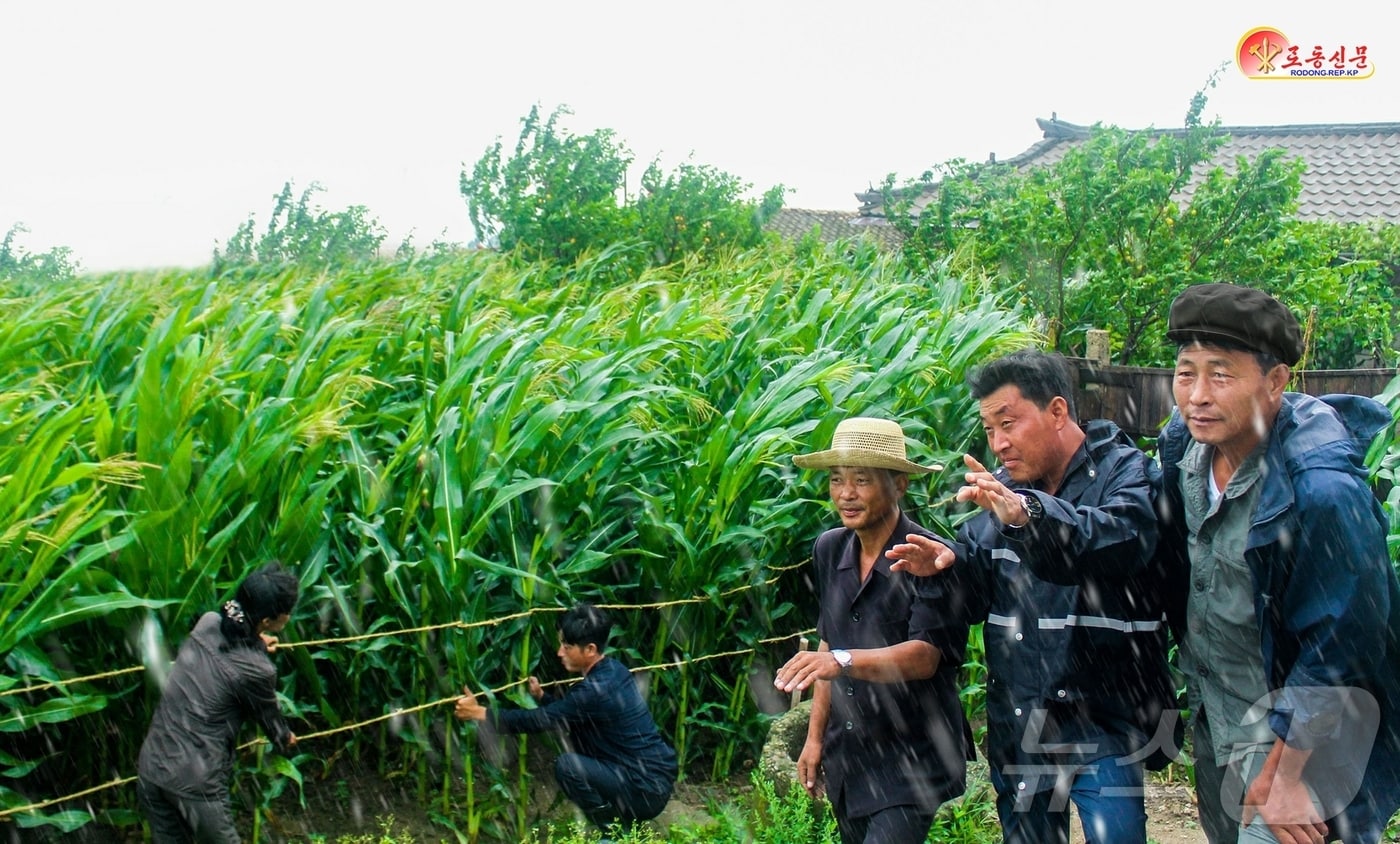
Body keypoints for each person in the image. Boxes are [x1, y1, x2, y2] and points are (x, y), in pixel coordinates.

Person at [888, 350, 1176, 844]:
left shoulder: (1125, 471)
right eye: (989, 429)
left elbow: (1120, 539)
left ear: (1058, 412)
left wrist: (1029, 516)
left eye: (1009, 424)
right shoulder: (1002, 490)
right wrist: (942, 572)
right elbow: (975, 598)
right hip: (1021, 720)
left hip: (1105, 720)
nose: (998, 444)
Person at [1155, 282, 1400, 844]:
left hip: (1308, 734)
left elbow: (1344, 640)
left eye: (1221, 373)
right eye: (1185, 372)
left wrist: (1288, 772)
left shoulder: (1322, 491)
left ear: (1275, 382)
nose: (1196, 394)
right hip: (1221, 718)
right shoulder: (1186, 453)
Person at [773, 416, 973, 844]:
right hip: (852, 755)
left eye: (862, 480)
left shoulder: (932, 557)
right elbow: (830, 641)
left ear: (898, 485)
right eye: (836, 480)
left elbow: (924, 657)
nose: (846, 494)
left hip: (911, 757)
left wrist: (840, 661)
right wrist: (814, 740)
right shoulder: (829, 548)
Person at [454, 602, 677, 833]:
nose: (560, 652)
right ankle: (624, 822)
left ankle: (615, 831)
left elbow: (541, 720)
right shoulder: (614, 670)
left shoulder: (593, 692)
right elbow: (571, 713)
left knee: (568, 767)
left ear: (590, 649)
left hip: (644, 790)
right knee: (581, 747)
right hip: (652, 781)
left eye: (567, 646)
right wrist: (542, 696)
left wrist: (481, 713)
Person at [137, 561, 300, 844]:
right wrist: (286, 740)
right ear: (266, 621)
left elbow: (224, 654)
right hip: (194, 782)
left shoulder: (208, 622)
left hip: (152, 768)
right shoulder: (259, 671)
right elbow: (274, 726)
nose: (289, 616)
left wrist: (257, 644)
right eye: (286, 612)